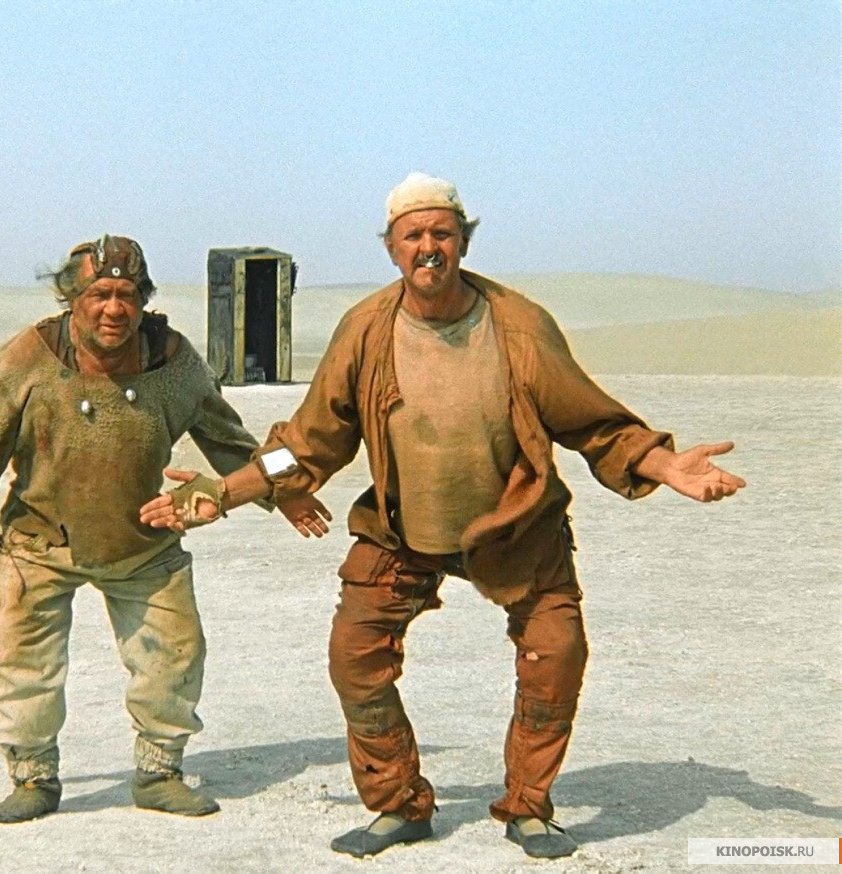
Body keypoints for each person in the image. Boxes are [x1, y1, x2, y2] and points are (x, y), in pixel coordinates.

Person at [140, 174, 746, 859]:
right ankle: (397, 803)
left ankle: (529, 807)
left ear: (463, 241)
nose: (428, 247)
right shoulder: (366, 329)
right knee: (355, 655)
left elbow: (593, 422)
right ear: (391, 247)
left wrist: (664, 465)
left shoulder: (519, 326)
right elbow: (307, 443)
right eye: (413, 236)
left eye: (442, 233)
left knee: (557, 655)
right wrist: (226, 492)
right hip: (403, 531)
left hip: (518, 528)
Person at [0, 234, 327, 824]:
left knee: (174, 656)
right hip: (39, 542)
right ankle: (32, 775)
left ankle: (159, 771)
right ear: (72, 299)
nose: (115, 308)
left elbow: (227, 435)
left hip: (141, 543)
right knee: (25, 665)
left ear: (144, 300)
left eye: (128, 295)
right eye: (100, 294)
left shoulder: (173, 362)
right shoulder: (29, 356)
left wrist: (281, 491)